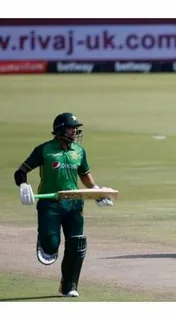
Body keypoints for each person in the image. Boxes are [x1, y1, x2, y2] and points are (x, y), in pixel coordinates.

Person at [13, 112, 114, 297]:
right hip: (50, 204)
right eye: (71, 128)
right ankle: (45, 239)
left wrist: (96, 191)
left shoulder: (79, 151)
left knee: (77, 244)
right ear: (60, 130)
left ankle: (69, 286)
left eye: (76, 128)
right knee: (51, 246)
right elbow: (20, 171)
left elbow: (84, 175)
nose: (75, 131)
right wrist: (23, 185)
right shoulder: (44, 150)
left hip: (74, 204)